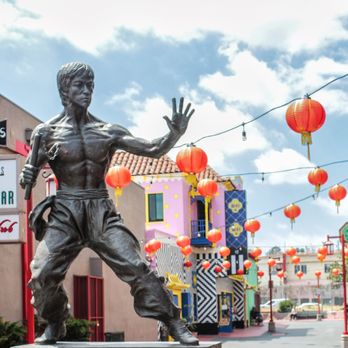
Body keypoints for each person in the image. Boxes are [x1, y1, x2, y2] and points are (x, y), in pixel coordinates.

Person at [19, 62, 198, 345]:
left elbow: (152, 149)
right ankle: (54, 322)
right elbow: (31, 172)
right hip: (66, 210)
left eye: (90, 85)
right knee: (42, 273)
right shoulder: (46, 131)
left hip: (100, 210)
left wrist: (174, 135)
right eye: (80, 85)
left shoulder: (107, 131)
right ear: (64, 89)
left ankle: (173, 321)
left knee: (137, 267)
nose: (87, 91)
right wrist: (28, 173)